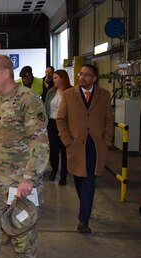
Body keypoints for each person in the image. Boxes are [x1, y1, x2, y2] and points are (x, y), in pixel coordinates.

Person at [0, 54, 49, 258]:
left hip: (18, 183)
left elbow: (40, 143)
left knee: (22, 229)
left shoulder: (28, 100)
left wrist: (29, 179)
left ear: (6, 73)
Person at [56, 64, 114, 234]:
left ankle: (83, 220)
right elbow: (61, 119)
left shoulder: (104, 95)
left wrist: (106, 142)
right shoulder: (69, 95)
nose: (82, 77)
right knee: (79, 180)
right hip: (76, 146)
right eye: (80, 74)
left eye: (87, 75)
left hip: (95, 146)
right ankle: (86, 206)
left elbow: (109, 120)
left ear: (94, 78)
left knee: (89, 181)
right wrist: (67, 141)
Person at [44, 69, 72, 186]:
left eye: (56, 78)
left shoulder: (71, 92)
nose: (53, 80)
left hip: (66, 124)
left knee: (65, 151)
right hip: (52, 123)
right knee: (53, 151)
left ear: (63, 78)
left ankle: (64, 175)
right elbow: (46, 107)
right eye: (53, 78)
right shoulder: (51, 92)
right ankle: (55, 169)